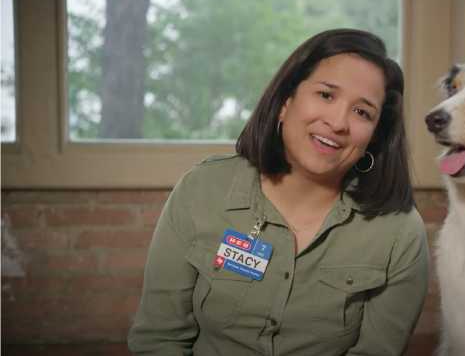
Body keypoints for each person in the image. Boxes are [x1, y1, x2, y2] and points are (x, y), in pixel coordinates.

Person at [128, 28, 429, 356]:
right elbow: (158, 340)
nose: (338, 122)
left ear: (374, 135)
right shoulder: (202, 189)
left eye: (362, 112)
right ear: (285, 102)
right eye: (326, 95)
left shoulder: (399, 233)